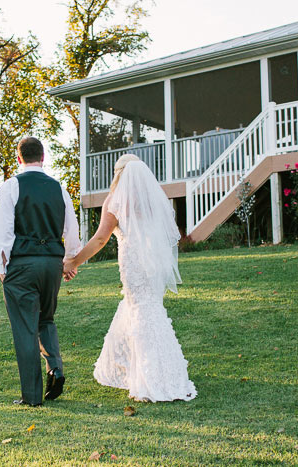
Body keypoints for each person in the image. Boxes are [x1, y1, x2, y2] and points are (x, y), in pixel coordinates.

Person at [63, 154, 196, 402]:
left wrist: (74, 261)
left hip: (134, 266)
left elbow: (101, 239)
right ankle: (134, 367)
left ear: (119, 174)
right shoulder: (150, 201)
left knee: (141, 312)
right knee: (145, 310)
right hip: (151, 266)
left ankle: (150, 378)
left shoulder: (115, 200)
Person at [0, 136, 81, 407]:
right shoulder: (59, 188)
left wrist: (2, 267)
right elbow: (72, 229)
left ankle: (31, 396)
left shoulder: (11, 186)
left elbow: (3, 232)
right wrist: (69, 261)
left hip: (22, 264)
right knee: (46, 319)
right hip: (52, 264)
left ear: (19, 159)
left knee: (25, 328)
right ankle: (55, 369)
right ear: (43, 157)